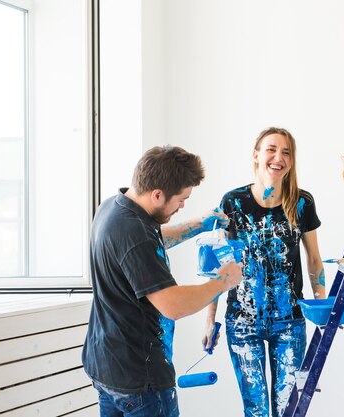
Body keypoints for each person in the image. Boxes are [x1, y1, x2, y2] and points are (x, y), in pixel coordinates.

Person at [82, 145, 243, 417]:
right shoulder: (135, 232)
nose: (182, 206)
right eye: (181, 199)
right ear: (157, 194)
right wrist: (222, 282)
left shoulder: (114, 208)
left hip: (107, 367)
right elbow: (173, 306)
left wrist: (199, 224)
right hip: (140, 379)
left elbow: (148, 244)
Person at [203, 127, 326, 417]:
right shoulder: (233, 203)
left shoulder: (301, 202)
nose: (278, 157)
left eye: (286, 152)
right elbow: (218, 266)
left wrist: (321, 308)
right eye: (271, 149)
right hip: (242, 324)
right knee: (256, 410)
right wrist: (209, 319)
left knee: (289, 410)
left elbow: (314, 261)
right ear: (256, 155)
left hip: (290, 323)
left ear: (291, 161)